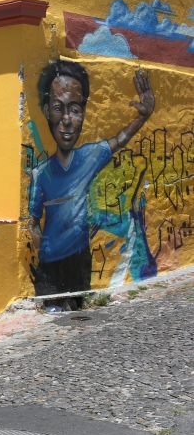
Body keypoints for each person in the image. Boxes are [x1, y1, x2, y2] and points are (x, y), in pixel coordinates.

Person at [29, 60, 155, 295]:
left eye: (75, 110)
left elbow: (119, 140)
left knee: (78, 318)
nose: (67, 119)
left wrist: (143, 117)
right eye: (58, 108)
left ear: (84, 114)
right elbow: (33, 223)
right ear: (47, 111)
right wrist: (44, 251)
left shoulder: (90, 156)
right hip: (49, 267)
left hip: (80, 261)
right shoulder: (40, 174)